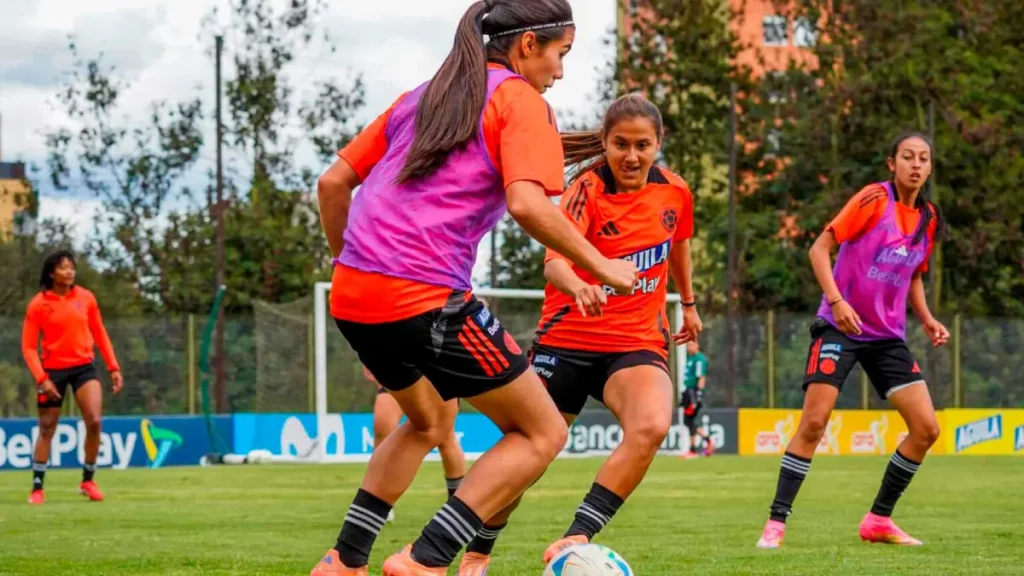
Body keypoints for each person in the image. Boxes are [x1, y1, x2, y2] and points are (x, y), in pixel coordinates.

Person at [311, 1, 638, 574]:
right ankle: (426, 559)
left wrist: (351, 267)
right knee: (541, 431)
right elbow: (527, 204)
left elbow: (333, 183)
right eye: (561, 54)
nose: (560, 71)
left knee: (430, 423)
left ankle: (344, 560)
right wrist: (603, 265)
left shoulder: (422, 97)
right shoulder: (520, 100)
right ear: (529, 45)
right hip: (422, 294)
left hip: (353, 295)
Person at [458, 93, 702, 575]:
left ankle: (578, 535)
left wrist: (689, 304)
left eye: (642, 145)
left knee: (652, 425)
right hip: (566, 343)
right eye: (620, 144)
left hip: (634, 343)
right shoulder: (584, 190)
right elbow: (554, 265)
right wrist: (581, 286)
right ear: (605, 143)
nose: (631, 156)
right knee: (527, 454)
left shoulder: (675, 191)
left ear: (658, 144)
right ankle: (477, 553)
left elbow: (679, 245)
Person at [756, 132, 947, 549]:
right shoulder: (873, 199)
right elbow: (818, 250)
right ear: (892, 164)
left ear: (930, 167)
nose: (916, 164)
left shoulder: (929, 219)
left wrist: (928, 318)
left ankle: (878, 520)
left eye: (923, 158)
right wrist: (837, 301)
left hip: (887, 337)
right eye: (908, 157)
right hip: (840, 326)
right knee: (814, 423)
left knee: (926, 428)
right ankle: (775, 524)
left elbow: (914, 274)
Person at [21, 249, 124, 505]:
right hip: (52, 371)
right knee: (47, 428)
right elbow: (28, 347)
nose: (69, 272)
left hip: (84, 368)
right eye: (63, 267)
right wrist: (42, 378)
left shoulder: (86, 298)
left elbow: (100, 333)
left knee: (95, 421)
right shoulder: (38, 304)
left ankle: (88, 480)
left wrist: (113, 367)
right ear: (51, 273)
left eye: (71, 267)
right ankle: (37, 488)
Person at [366, 365, 466, 523]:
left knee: (445, 437)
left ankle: (458, 508)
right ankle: (376, 504)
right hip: (401, 365)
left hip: (436, 366)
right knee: (382, 426)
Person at [680, 340, 712, 459]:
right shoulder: (690, 358)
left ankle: (694, 450)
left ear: (697, 345)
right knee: (689, 421)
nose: (688, 347)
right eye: (687, 345)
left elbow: (701, 377)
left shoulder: (699, 359)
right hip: (688, 392)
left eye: (690, 345)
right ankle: (707, 441)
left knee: (689, 420)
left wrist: (698, 394)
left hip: (693, 392)